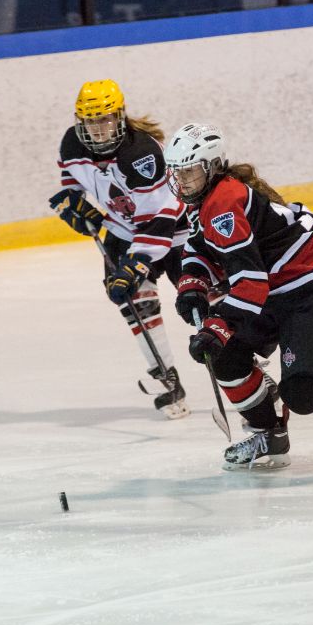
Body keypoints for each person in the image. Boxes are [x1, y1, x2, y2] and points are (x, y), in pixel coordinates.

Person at [164, 123, 313, 470]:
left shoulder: (223, 203)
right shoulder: (204, 198)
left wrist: (216, 326)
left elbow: (250, 285)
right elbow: (198, 246)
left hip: (311, 289)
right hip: (272, 290)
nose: (182, 180)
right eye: (176, 171)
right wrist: (192, 283)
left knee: (304, 396)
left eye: (189, 170)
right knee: (226, 357)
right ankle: (269, 434)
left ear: (212, 167)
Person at [49, 79, 190, 419]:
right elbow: (73, 181)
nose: (99, 128)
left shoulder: (141, 153)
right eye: (91, 121)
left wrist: (136, 263)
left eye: (106, 119)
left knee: (201, 301)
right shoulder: (71, 143)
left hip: (175, 233)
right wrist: (75, 206)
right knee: (134, 304)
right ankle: (168, 379)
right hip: (122, 232)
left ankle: (246, 365)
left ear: (120, 117)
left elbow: (161, 216)